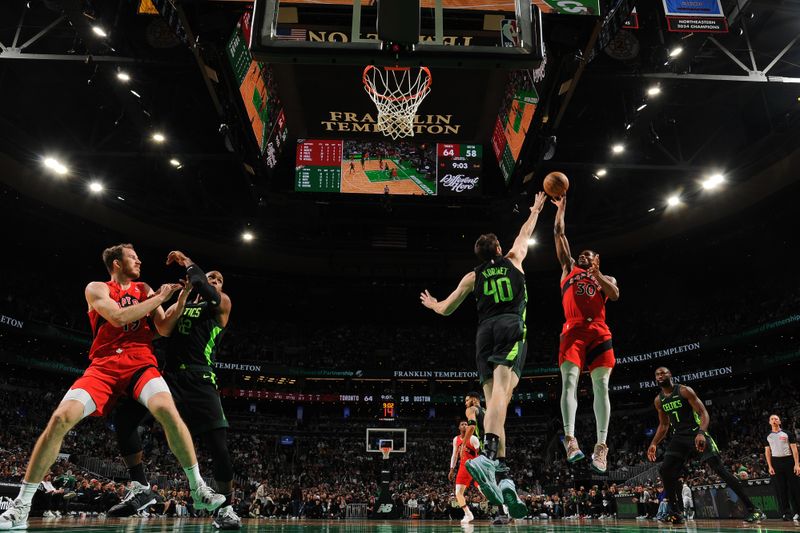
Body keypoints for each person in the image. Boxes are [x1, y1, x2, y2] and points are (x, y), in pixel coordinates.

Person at [0, 243, 224, 531]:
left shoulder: (144, 289)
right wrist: (160, 297)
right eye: (133, 257)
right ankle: (22, 505)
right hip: (103, 365)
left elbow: (165, 329)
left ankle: (198, 488)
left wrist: (178, 300)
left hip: (141, 362)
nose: (140, 261)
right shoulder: (96, 288)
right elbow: (118, 316)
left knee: (166, 410)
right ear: (117, 264)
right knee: (59, 419)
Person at [420, 191, 547, 519]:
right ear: (499, 250)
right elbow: (525, 234)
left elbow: (446, 309)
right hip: (508, 328)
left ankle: (502, 474)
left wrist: (433, 304)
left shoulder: (472, 276)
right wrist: (535, 209)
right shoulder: (515, 259)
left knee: (495, 404)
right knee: (503, 398)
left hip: (484, 335)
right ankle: (490, 456)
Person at [110, 250, 240, 529]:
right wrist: (176, 297)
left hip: (201, 380)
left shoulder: (220, 303)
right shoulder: (184, 304)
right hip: (168, 378)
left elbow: (210, 292)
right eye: (211, 277)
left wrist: (189, 263)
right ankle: (141, 486)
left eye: (219, 279)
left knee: (219, 449)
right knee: (124, 418)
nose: (215, 280)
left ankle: (226, 509)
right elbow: (163, 327)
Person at [551, 194, 619, 473]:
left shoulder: (606, 278)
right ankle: (570, 439)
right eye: (581, 255)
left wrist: (598, 273)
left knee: (600, 386)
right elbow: (559, 233)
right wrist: (562, 209)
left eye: (587, 255)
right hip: (573, 330)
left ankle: (601, 447)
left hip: (599, 331)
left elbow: (614, 295)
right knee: (569, 381)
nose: (582, 256)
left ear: (596, 259)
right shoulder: (568, 268)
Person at [646, 367, 766, 524]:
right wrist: (654, 443)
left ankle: (753, 509)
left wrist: (701, 432)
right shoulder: (658, 400)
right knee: (665, 470)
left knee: (720, 470)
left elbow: (703, 413)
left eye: (663, 373)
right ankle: (676, 513)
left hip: (696, 432)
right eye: (657, 374)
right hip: (679, 437)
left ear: (670, 375)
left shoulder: (684, 391)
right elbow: (663, 425)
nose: (660, 375)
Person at [765, 414, 800, 521]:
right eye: (772, 419)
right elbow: (767, 451)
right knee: (781, 489)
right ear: (769, 422)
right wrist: (770, 466)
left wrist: (797, 464)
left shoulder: (787, 433)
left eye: (776, 419)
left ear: (779, 421)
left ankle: (798, 512)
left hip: (789, 461)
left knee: (796, 487)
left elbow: (794, 449)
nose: (774, 420)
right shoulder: (768, 435)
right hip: (776, 462)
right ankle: (786, 513)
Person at [450, 420, 481, 524]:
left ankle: (503, 508)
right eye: (462, 424)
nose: (464, 426)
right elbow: (454, 455)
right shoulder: (456, 439)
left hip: (474, 465)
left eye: (466, 424)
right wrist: (451, 469)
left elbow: (480, 453)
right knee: (458, 492)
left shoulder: (473, 438)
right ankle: (468, 514)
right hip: (463, 466)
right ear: (459, 427)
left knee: (484, 490)